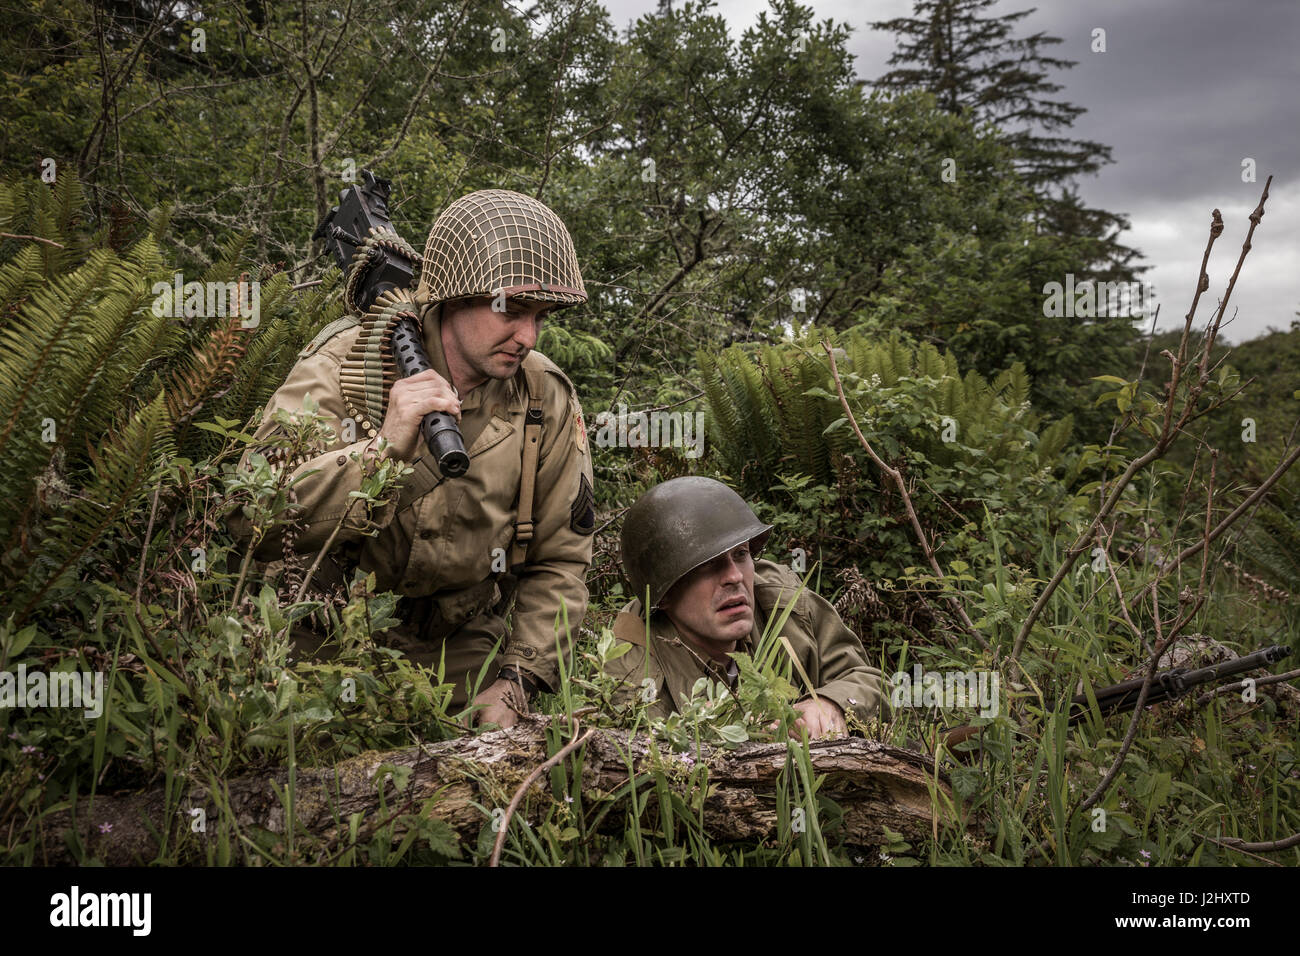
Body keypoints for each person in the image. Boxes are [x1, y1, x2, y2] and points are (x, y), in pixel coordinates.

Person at [227, 189, 596, 729]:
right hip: (324, 638)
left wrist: (518, 682)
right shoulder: (348, 361)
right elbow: (247, 513)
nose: (527, 336)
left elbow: (561, 562)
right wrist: (380, 453)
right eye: (511, 310)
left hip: (463, 654)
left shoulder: (544, 397)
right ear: (452, 298)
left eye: (540, 315)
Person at [604, 476, 884, 739]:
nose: (735, 577)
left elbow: (871, 682)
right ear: (664, 595)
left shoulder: (781, 603)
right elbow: (653, 759)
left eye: (741, 554)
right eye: (708, 565)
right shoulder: (632, 659)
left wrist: (828, 704)